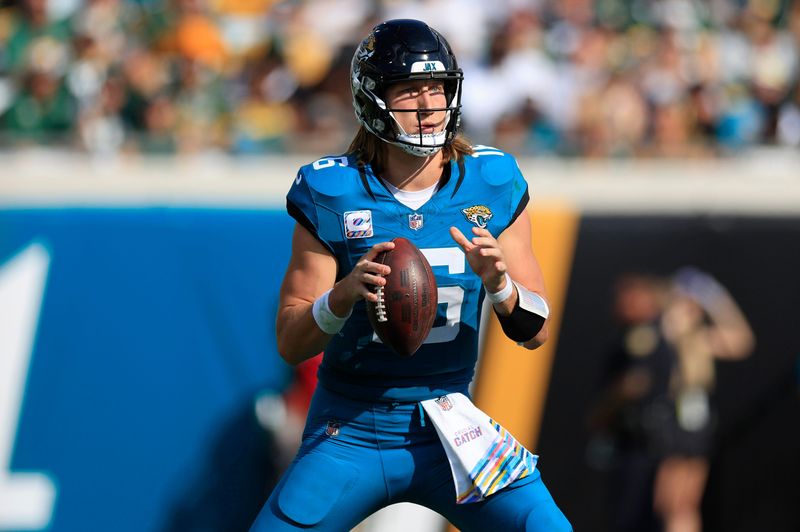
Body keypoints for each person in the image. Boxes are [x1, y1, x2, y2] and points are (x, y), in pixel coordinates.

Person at [250, 19, 571, 532]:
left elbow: (537, 332)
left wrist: (500, 286)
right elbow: (290, 342)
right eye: (409, 90)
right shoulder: (333, 191)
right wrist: (342, 296)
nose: (428, 104)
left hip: (452, 424)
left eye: (437, 88)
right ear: (372, 99)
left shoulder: (491, 181)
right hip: (351, 429)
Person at [590, 269, 754, 532]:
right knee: (672, 504)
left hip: (687, 432)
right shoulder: (659, 337)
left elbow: (741, 341)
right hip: (677, 429)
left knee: (677, 505)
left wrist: (715, 298)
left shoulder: (696, 341)